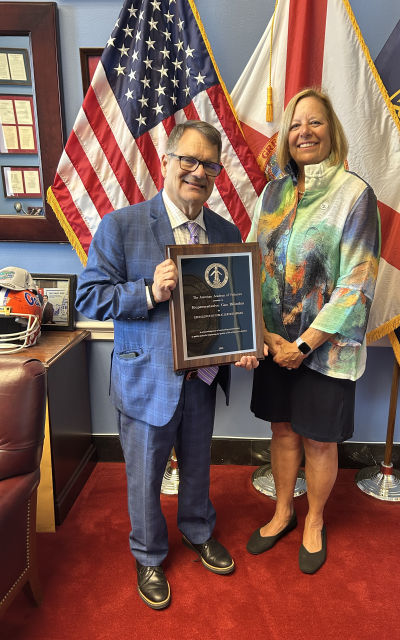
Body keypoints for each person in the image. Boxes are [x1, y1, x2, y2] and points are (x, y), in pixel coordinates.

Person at [76, 120, 258, 610]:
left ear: (217, 174)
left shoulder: (226, 232)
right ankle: (149, 554)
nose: (198, 172)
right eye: (189, 160)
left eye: (209, 165)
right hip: (145, 376)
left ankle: (198, 531)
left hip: (202, 377)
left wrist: (241, 344)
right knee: (145, 475)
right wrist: (148, 293)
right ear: (167, 160)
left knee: (197, 465)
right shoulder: (121, 225)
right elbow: (89, 297)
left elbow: (230, 309)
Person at [245, 88, 380, 574]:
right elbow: (252, 261)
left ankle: (315, 520)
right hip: (273, 344)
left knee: (319, 440)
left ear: (332, 131)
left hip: (325, 350)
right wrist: (263, 334)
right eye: (296, 124)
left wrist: (304, 345)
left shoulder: (355, 195)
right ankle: (283, 512)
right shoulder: (272, 193)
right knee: (282, 431)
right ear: (286, 136)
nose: (305, 132)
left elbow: (357, 285)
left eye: (315, 122)